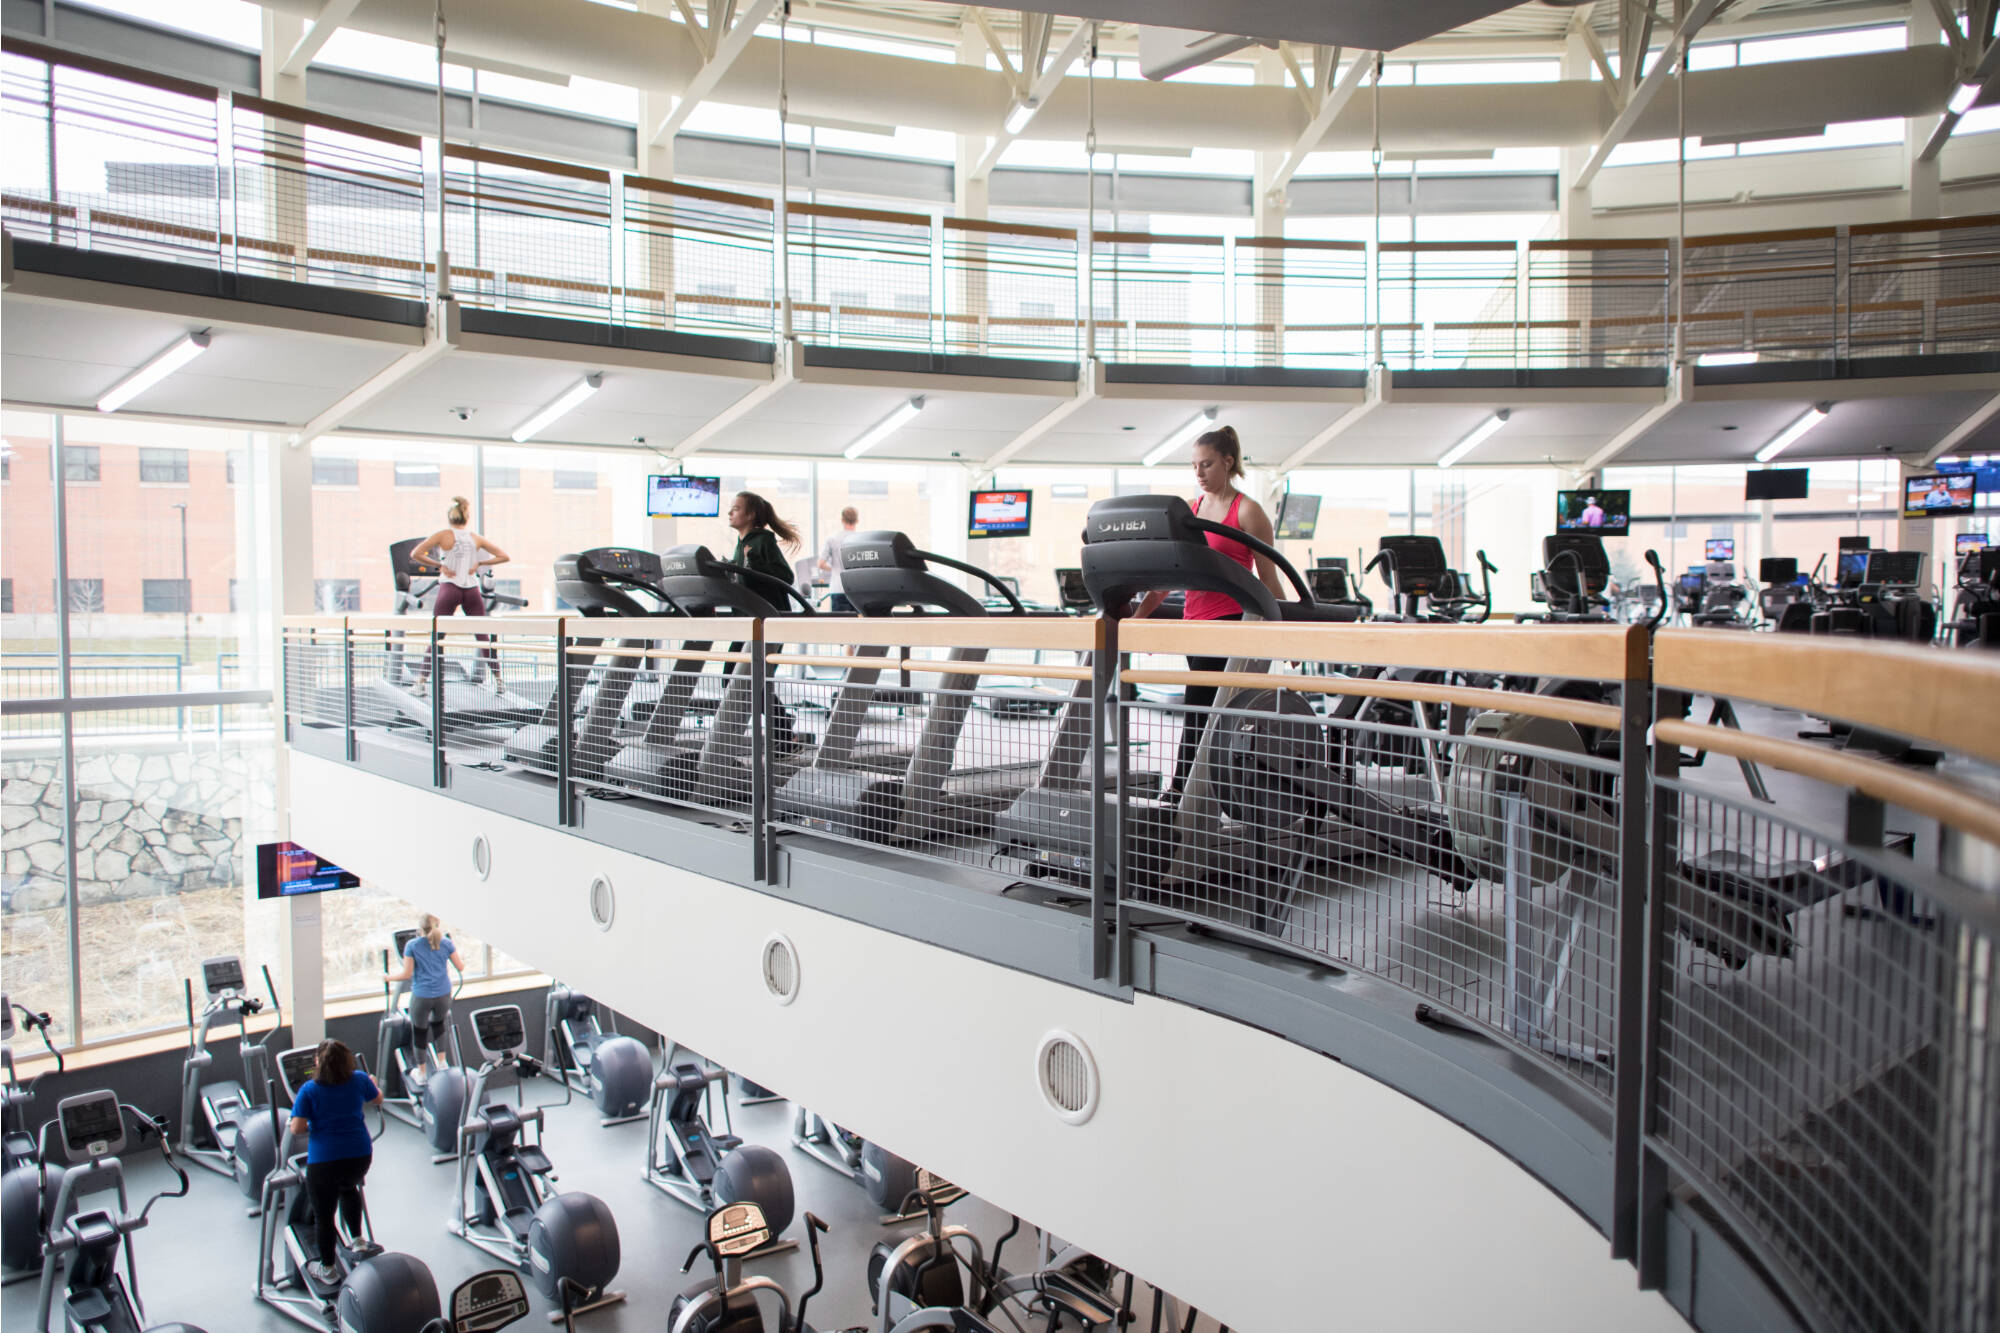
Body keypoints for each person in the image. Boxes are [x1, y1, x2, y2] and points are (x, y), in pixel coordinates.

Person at [1132, 425, 1287, 803]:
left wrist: (1288, 633)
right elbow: (1169, 578)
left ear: (1228, 462)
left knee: (1200, 711)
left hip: (1231, 623)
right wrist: (1139, 619)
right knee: (1212, 715)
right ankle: (1211, 796)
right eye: (1194, 466)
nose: (1199, 473)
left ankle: (1180, 794)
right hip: (1195, 625)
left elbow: (1268, 576)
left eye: (1207, 464)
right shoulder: (1192, 511)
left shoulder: (1247, 511)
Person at [287, 1038, 382, 1286]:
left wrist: (308, 1119)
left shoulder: (308, 1090)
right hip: (360, 1155)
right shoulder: (360, 1079)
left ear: (318, 1062)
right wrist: (373, 1084)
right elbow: (378, 1099)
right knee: (349, 1188)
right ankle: (358, 1241)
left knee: (324, 1216)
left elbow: (296, 1129)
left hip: (325, 1161)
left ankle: (327, 1270)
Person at [409, 497, 511, 685]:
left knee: (438, 635)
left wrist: (440, 565)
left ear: (450, 517)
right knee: (482, 636)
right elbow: (504, 556)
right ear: (467, 517)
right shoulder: (475, 538)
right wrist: (480, 562)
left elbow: (415, 554)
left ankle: (421, 682)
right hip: (471, 589)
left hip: (450, 587)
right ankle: (499, 680)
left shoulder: (443, 535)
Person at [384, 914, 462, 1060]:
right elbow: (460, 967)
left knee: (420, 1032)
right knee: (439, 1025)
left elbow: (406, 974)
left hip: (422, 995)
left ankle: (421, 1072)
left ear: (419, 929)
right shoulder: (446, 943)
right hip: (444, 994)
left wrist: (388, 977)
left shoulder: (412, 945)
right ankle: (443, 1063)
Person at [728, 491, 802, 587]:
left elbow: (787, 577)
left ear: (750, 515)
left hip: (765, 602)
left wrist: (755, 563)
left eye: (736, 509)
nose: (729, 513)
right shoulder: (741, 544)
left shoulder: (763, 541)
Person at [817, 506, 860, 612]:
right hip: (856, 590)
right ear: (857, 521)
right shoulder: (861, 539)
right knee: (856, 626)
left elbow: (820, 564)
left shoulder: (832, 539)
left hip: (838, 588)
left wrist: (834, 569)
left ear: (842, 520)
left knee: (839, 625)